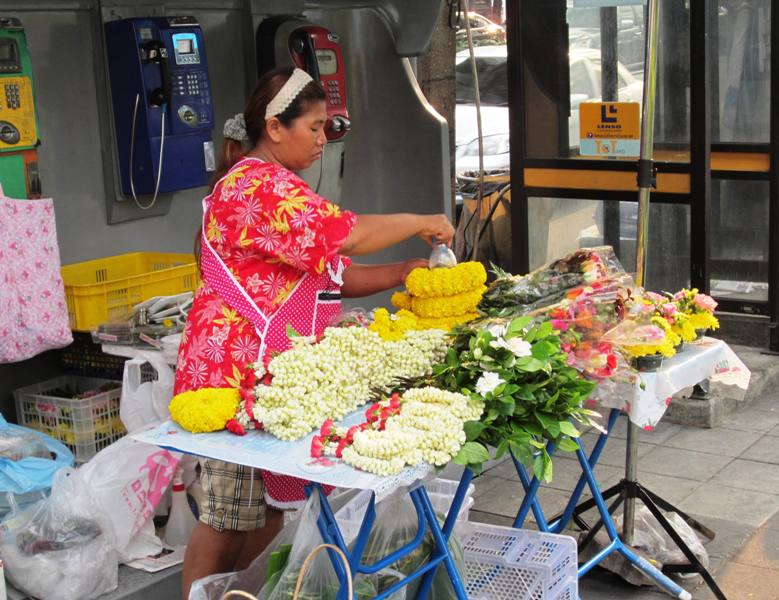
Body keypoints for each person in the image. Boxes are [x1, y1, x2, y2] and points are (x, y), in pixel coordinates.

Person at [174, 65, 455, 598]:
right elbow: (344, 236)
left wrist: (402, 273)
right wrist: (422, 220)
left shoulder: (282, 185)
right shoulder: (254, 186)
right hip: (233, 372)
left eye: (329, 127)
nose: (324, 139)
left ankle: (248, 592)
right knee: (228, 515)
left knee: (269, 511)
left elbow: (329, 274)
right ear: (275, 127)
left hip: (275, 374)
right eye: (315, 126)